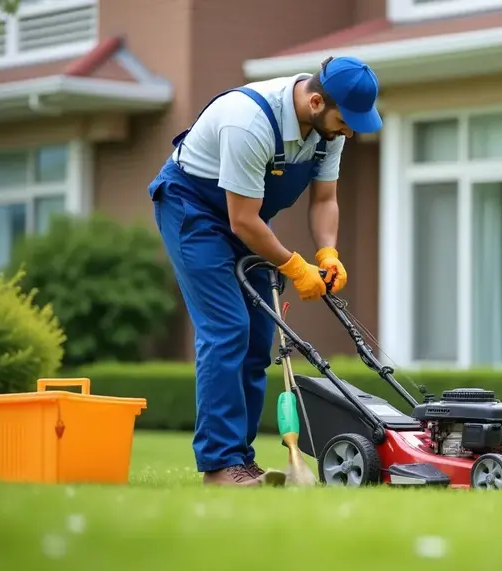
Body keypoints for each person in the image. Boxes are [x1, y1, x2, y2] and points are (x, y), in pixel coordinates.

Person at [146, 56, 383, 487]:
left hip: (248, 218)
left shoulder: (329, 131)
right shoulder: (249, 121)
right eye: (346, 121)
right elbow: (242, 221)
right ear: (315, 101)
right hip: (194, 211)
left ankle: (241, 459)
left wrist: (327, 253)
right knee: (226, 329)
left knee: (258, 338)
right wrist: (294, 265)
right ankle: (220, 466)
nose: (349, 130)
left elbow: (324, 199)